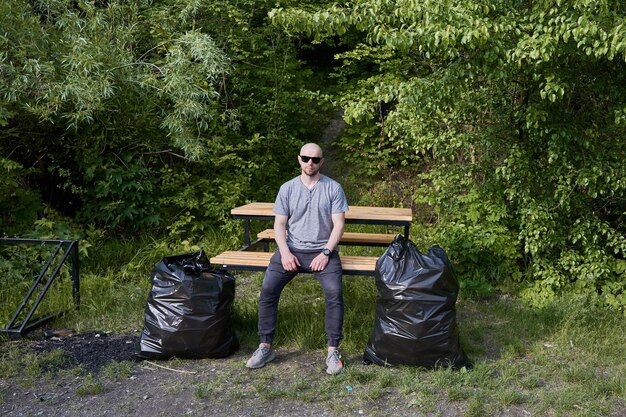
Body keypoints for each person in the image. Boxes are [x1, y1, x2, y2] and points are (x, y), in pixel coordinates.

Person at [246, 143, 349, 375]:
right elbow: (279, 225)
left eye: (315, 159)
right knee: (268, 290)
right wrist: (284, 252)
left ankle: (333, 350)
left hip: (323, 252)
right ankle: (265, 346)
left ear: (322, 161)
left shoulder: (333, 188)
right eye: (305, 158)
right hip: (291, 250)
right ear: (299, 160)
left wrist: (326, 253)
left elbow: (339, 225)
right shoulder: (287, 189)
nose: (310, 163)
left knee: (334, 293)